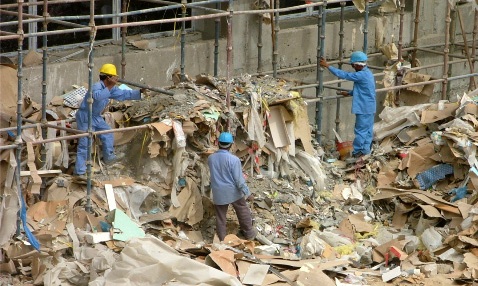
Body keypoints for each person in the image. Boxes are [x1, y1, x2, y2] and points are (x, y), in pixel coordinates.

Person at [74, 63, 145, 178]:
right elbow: (97, 97)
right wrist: (110, 86)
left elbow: (123, 93)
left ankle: (109, 157)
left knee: (107, 132)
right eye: (114, 77)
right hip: (85, 116)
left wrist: (139, 93)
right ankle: (80, 171)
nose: (116, 79)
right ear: (108, 78)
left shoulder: (110, 88)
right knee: (85, 143)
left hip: (96, 116)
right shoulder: (97, 86)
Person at [319, 51, 376, 158]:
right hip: (370, 107)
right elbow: (364, 90)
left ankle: (357, 153)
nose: (353, 67)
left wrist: (328, 66)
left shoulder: (361, 75)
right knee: (368, 131)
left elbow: (344, 75)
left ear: (358, 65)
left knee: (360, 131)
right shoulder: (368, 74)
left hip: (363, 108)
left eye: (353, 65)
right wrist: (349, 93)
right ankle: (365, 151)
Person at [208, 132, 256, 242]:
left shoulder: (211, 158)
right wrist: (247, 193)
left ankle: (222, 240)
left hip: (218, 192)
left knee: (220, 217)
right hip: (233, 191)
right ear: (230, 145)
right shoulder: (234, 160)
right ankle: (249, 234)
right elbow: (239, 180)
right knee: (242, 210)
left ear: (218, 143)